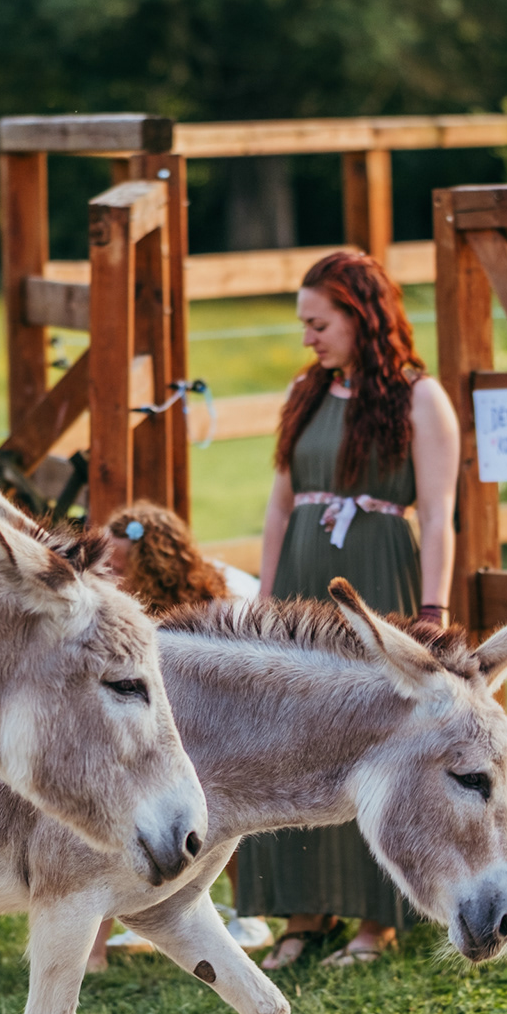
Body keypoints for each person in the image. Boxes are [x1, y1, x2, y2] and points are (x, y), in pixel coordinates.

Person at [237, 250, 460, 970]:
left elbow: (440, 515)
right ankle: (305, 913)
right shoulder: (305, 392)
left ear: (361, 318)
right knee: (298, 739)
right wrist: (267, 603)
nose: (309, 338)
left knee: (376, 738)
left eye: (319, 323)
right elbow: (279, 508)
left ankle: (376, 920)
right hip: (304, 584)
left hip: (378, 582)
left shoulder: (420, 399)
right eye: (305, 325)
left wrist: (432, 609)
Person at [87, 502, 276, 971]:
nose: (111, 576)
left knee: (221, 814)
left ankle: (249, 913)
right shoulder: (122, 615)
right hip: (152, 739)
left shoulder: (210, 609)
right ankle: (96, 944)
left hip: (211, 737)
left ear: (153, 564)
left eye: (120, 567)